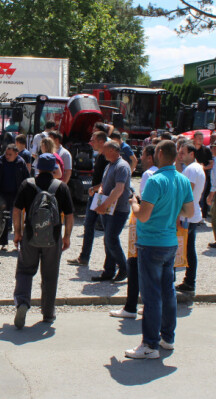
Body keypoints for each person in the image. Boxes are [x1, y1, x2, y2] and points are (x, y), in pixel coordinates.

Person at [125, 140, 194, 360]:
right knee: (168, 291)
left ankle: (149, 344)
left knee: (151, 295)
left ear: (161, 153)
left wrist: (134, 203)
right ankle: (168, 338)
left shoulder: (155, 181)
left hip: (151, 242)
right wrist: (171, 207)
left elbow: (143, 215)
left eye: (155, 151)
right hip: (169, 241)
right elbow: (190, 212)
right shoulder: (182, 180)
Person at [11, 153, 74, 328]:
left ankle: (22, 302)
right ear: (54, 168)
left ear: (37, 167)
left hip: (30, 236)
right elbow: (69, 215)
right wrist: (66, 237)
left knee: (24, 270)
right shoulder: (61, 187)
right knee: (50, 275)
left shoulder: (27, 184)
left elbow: (16, 211)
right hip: (53, 239)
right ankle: (48, 312)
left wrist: (18, 233)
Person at [110, 144, 157, 319]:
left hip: (143, 228)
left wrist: (133, 202)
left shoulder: (149, 175)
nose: (140, 158)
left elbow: (144, 205)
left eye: (143, 154)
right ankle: (147, 306)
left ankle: (131, 307)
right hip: (161, 233)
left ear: (151, 157)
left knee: (135, 266)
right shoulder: (172, 176)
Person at [90, 141, 131, 282]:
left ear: (113, 150)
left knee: (111, 239)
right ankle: (109, 271)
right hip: (108, 209)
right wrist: (100, 194)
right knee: (108, 240)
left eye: (105, 150)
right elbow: (105, 184)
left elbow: (119, 189)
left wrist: (104, 204)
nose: (102, 152)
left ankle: (124, 268)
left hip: (118, 210)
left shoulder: (122, 166)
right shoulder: (110, 165)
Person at [67, 131, 108, 266]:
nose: (90, 142)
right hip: (95, 196)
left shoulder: (107, 157)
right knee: (88, 225)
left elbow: (108, 180)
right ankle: (84, 257)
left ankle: (112, 262)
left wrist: (94, 188)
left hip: (102, 197)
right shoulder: (100, 155)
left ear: (101, 142)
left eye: (93, 140)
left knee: (108, 231)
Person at [0, 144, 29, 249]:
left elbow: (27, 178)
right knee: (4, 218)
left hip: (17, 193)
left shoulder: (21, 162)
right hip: (2, 193)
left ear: (16, 154)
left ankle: (18, 242)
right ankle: (4, 243)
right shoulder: (0, 161)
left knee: (17, 219)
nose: (7, 156)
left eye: (10, 154)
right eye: (6, 154)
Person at [175, 143, 204, 294]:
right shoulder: (195, 168)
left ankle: (189, 281)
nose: (180, 155)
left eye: (183, 153)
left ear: (191, 154)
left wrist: (179, 214)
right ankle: (189, 280)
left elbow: (187, 193)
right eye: (179, 153)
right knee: (187, 249)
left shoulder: (192, 169)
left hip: (187, 216)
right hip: (191, 214)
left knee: (185, 249)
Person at [192, 131, 213, 219]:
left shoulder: (206, 150)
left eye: (202, 138)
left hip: (203, 176)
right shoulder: (190, 149)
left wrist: (202, 168)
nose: (201, 140)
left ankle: (201, 216)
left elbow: (211, 164)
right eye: (199, 138)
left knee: (201, 195)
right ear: (194, 139)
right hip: (191, 175)